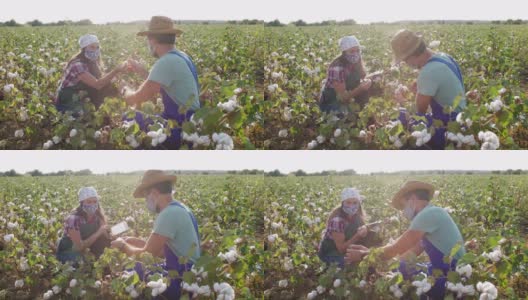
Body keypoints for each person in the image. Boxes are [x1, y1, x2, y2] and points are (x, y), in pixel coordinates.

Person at [345, 181, 466, 300]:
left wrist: (364, 256)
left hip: (451, 279)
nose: (403, 212)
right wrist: (375, 256)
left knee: (403, 277)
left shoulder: (427, 215)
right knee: (400, 268)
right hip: (448, 272)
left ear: (412, 199)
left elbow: (396, 249)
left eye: (403, 206)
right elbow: (411, 252)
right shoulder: (432, 213)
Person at [111, 170, 201, 299]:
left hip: (181, 281)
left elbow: (146, 255)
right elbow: (161, 251)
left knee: (133, 272)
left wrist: (122, 246)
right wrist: (133, 240)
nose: (146, 201)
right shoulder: (180, 208)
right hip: (191, 276)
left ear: (154, 193)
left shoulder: (168, 214)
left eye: (146, 197)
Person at [122, 16, 201, 149]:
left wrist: (125, 91)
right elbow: (163, 84)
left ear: (152, 40)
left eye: (148, 40)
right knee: (151, 118)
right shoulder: (181, 56)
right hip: (192, 124)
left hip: (180, 128)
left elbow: (138, 97)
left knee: (129, 117)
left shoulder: (166, 62)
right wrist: (141, 71)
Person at [391, 29, 467, 149]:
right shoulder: (444, 57)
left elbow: (419, 112)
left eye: (405, 60)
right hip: (462, 121)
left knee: (399, 116)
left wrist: (401, 101)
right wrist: (421, 90)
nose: (406, 63)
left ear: (412, 55)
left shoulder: (428, 72)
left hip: (449, 128)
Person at [55, 34, 126, 114]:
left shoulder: (92, 61)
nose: (95, 50)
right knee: (84, 116)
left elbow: (101, 77)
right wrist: (115, 71)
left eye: (97, 47)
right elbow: (97, 84)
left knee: (109, 88)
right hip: (68, 97)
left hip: (80, 93)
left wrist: (116, 78)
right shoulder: (77, 64)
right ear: (84, 49)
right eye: (92, 47)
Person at [318, 188, 379, 268]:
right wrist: (358, 235)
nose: (351, 205)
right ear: (343, 203)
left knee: (370, 251)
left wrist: (373, 225)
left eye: (355, 202)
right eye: (348, 202)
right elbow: (341, 249)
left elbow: (365, 227)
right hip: (331, 253)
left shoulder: (356, 216)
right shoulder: (337, 221)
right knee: (355, 264)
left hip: (348, 247)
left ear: (359, 203)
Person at [56, 187, 112, 264]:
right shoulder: (73, 219)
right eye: (89, 202)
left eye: (95, 201)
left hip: (87, 248)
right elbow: (78, 247)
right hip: (69, 251)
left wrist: (111, 234)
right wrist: (99, 232)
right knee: (82, 263)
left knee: (108, 252)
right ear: (82, 203)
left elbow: (105, 236)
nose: (92, 204)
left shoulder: (98, 216)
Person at [319, 36, 372, 114]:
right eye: (351, 51)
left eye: (357, 50)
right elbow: (342, 98)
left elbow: (361, 78)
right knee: (348, 115)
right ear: (344, 53)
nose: (355, 54)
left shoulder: (356, 63)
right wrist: (360, 88)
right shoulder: (337, 67)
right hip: (332, 103)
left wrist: (371, 78)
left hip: (349, 97)